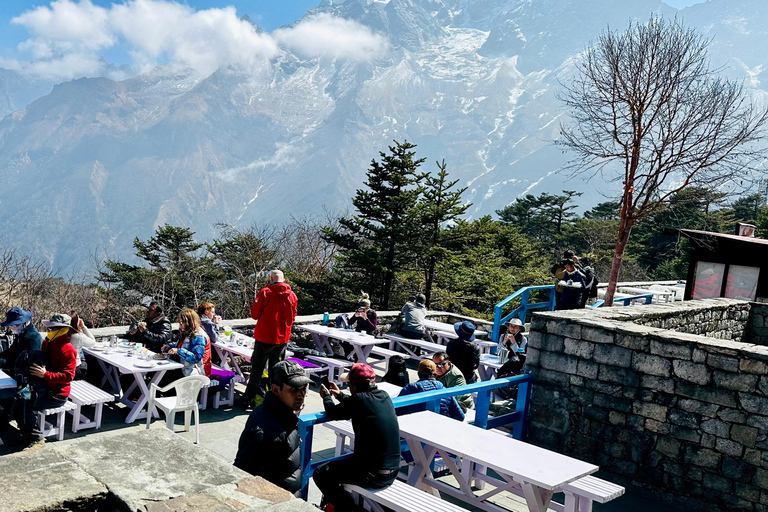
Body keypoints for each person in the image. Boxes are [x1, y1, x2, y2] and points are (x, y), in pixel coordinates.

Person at [315, 364, 400, 512]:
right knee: (341, 467)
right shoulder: (384, 396)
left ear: (354, 386)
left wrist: (327, 397)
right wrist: (340, 395)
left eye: (349, 385)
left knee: (321, 473)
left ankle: (352, 510)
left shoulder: (359, 400)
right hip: (392, 471)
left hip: (373, 476)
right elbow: (359, 403)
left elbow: (333, 412)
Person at [234, 360, 310, 497]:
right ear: (275, 390)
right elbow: (242, 474)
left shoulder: (286, 413)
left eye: (303, 388)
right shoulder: (265, 434)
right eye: (293, 389)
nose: (301, 395)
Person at [237, 270, 298, 409]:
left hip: (265, 337)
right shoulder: (292, 296)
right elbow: (293, 316)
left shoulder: (265, 292)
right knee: (276, 372)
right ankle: (274, 399)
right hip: (282, 339)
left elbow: (254, 314)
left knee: (257, 369)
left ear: (271, 279)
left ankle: (248, 399)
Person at [23, 313, 78, 448]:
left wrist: (45, 375)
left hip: (57, 394)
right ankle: (25, 431)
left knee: (25, 405)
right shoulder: (48, 342)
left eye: (53, 329)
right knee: (18, 398)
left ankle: (35, 437)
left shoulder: (68, 350)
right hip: (44, 387)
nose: (49, 331)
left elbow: (69, 376)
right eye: (49, 328)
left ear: (63, 329)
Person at [0, 307, 43, 429]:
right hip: (21, 377)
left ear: (23, 324)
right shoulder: (22, 335)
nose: (10, 328)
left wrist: (2, 363)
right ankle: (7, 418)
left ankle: (29, 433)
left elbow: (25, 364)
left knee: (14, 398)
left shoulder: (33, 339)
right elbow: (12, 352)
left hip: (31, 383)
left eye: (13, 325)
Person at [398, 360, 464, 421]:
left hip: (413, 427)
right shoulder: (445, 392)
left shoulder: (408, 389)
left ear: (418, 374)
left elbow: (396, 411)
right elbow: (460, 416)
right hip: (440, 428)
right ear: (435, 375)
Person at [163, 309, 212, 378]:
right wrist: (170, 346)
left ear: (190, 322)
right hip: (186, 367)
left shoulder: (198, 336)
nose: (180, 326)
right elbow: (185, 346)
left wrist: (178, 351)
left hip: (198, 372)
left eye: (182, 323)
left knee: (165, 378)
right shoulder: (188, 331)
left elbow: (196, 357)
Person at [68, 313, 96, 380]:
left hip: (62, 368)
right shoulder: (78, 336)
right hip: (76, 370)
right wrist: (83, 327)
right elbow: (93, 342)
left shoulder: (61, 335)